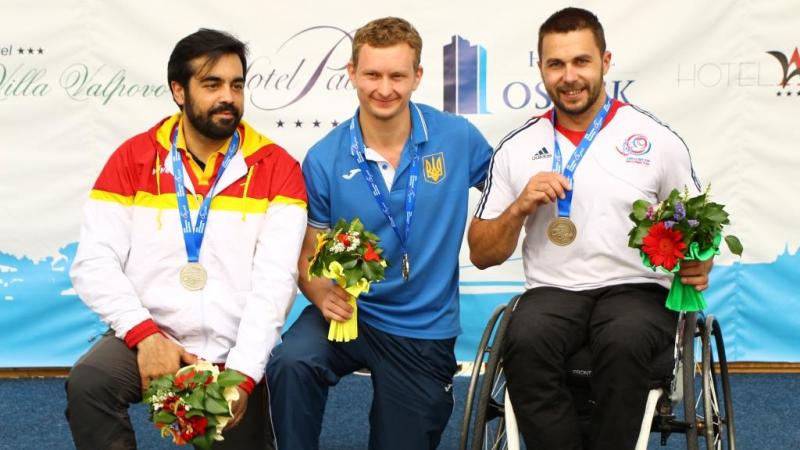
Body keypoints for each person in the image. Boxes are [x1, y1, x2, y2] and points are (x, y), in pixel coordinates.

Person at [468, 7, 713, 450]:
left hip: (636, 287)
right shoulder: (517, 147)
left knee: (625, 341)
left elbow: (700, 225)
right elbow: (483, 254)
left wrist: (700, 261)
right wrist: (519, 207)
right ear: (541, 69)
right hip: (553, 289)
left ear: (605, 61)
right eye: (555, 64)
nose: (569, 76)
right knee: (522, 341)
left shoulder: (655, 139)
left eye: (581, 61)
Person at [66, 28, 306, 450]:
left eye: (236, 85)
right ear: (179, 91)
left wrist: (244, 376)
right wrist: (145, 335)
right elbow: (93, 263)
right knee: (91, 383)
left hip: (236, 349)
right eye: (211, 85)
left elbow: (275, 286)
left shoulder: (277, 168)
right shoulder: (133, 159)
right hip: (153, 336)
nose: (227, 97)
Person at [266, 17, 492, 450]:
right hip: (351, 314)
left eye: (397, 75)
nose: (383, 88)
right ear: (352, 74)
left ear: (417, 77)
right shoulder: (324, 157)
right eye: (371, 74)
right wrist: (317, 291)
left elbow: (503, 189)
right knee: (291, 362)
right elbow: (310, 248)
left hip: (422, 326)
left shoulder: (457, 137)